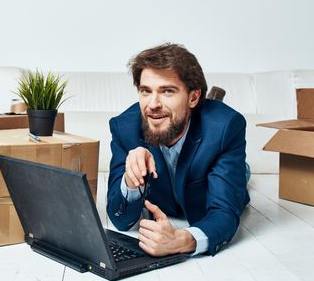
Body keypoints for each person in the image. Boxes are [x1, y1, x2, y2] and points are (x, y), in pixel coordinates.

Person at [106, 43, 250, 257]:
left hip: (213, 163)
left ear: (193, 98)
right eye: (146, 91)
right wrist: (130, 181)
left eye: (167, 91)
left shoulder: (226, 127)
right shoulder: (124, 128)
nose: (153, 104)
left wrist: (182, 240)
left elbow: (224, 212)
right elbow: (119, 218)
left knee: (243, 173)